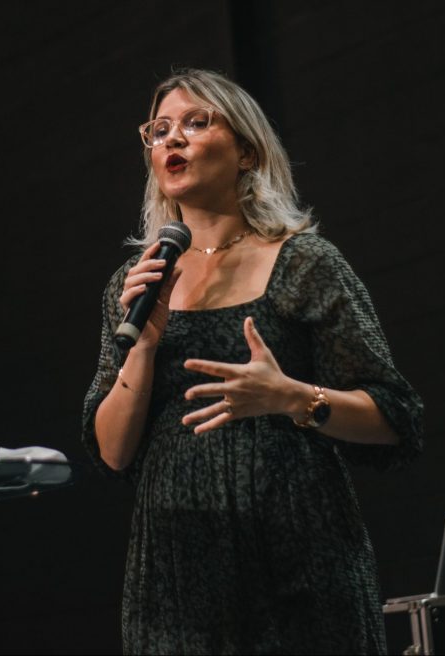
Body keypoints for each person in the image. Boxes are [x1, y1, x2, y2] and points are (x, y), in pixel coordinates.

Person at [82, 68, 424, 654]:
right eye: (159, 129)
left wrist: (290, 397)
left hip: (300, 564)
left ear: (245, 151)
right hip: (177, 575)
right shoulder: (133, 283)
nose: (173, 139)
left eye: (196, 122)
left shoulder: (304, 263)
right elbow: (112, 450)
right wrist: (143, 344)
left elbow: (396, 417)